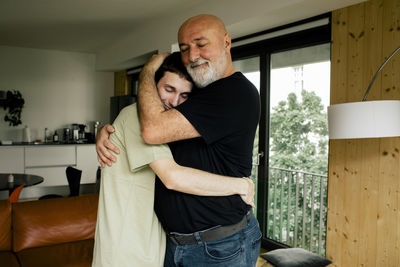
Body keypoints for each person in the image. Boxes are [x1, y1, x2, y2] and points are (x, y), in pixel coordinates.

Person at [97, 14, 261, 266]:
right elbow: (150, 127)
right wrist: (114, 129)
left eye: (201, 43)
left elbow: (153, 134)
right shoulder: (197, 94)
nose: (193, 55)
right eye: (184, 48)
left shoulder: (234, 92)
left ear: (226, 42)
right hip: (174, 244)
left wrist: (149, 68)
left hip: (218, 245)